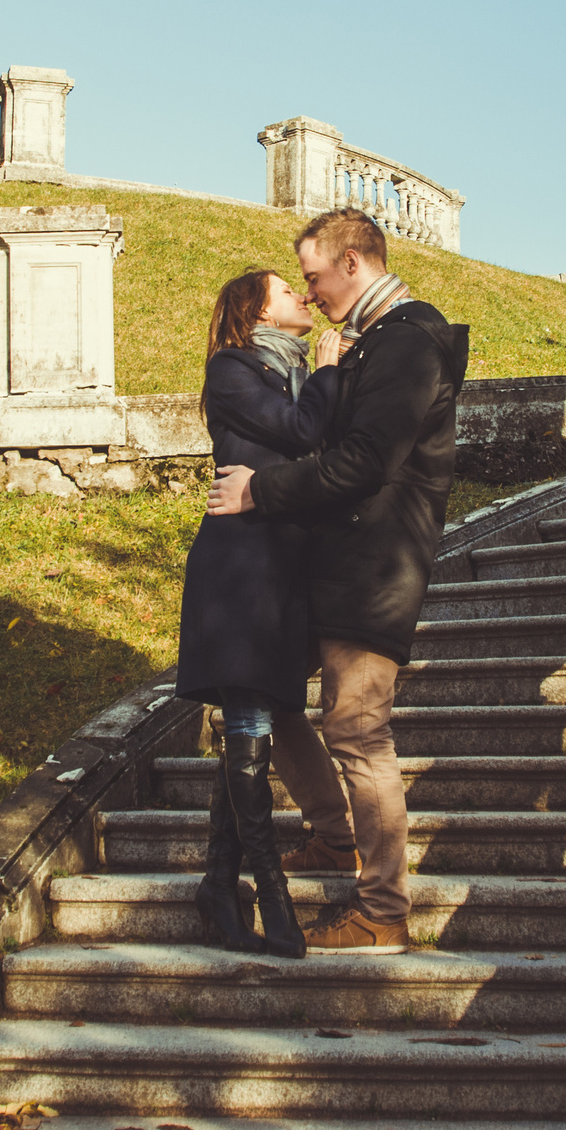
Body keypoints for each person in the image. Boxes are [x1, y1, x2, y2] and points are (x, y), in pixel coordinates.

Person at [205, 208, 469, 955]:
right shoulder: (372, 339)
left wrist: (260, 490)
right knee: (273, 698)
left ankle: (382, 909)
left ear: (352, 264)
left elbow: (365, 461)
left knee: (357, 730)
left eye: (314, 275)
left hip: (376, 562)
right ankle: (332, 833)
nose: (311, 292)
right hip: (329, 559)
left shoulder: (408, 338)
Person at [175, 266, 344, 960]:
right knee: (248, 725)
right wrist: (328, 372)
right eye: (286, 289)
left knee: (251, 725)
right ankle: (271, 896)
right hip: (239, 572)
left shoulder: (288, 372)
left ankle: (219, 884)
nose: (302, 295)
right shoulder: (234, 370)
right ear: (258, 312)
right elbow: (302, 431)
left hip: (282, 572)